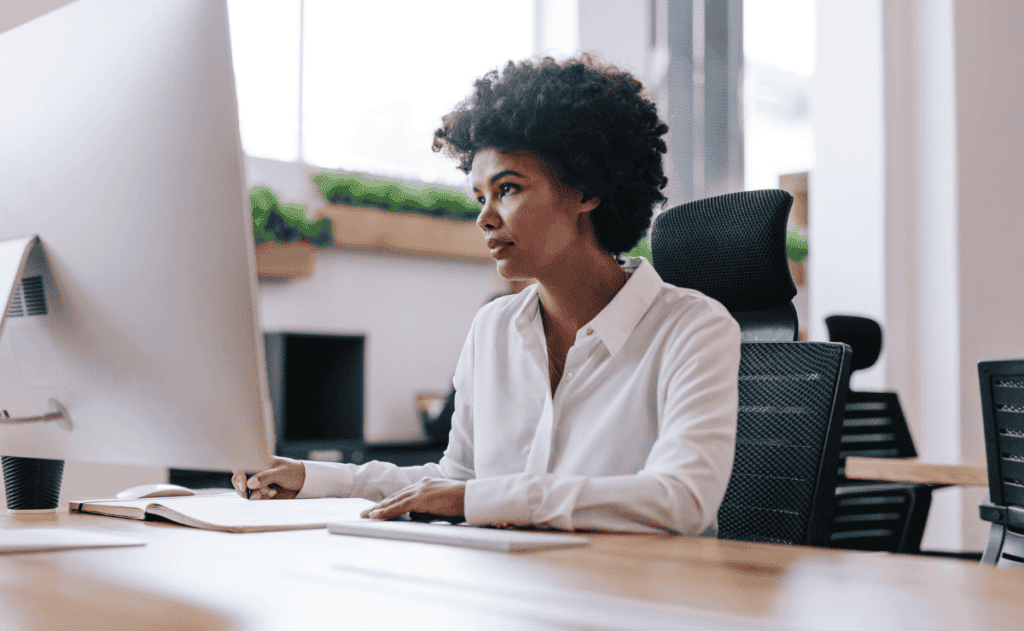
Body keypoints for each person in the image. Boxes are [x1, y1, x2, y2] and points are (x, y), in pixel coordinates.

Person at [234, 55, 740, 535]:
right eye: (480, 196)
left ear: (586, 191)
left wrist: (487, 500)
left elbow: (682, 499)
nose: (485, 217)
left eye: (508, 190)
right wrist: (317, 479)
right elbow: (456, 482)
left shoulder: (693, 328)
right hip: (516, 591)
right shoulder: (494, 327)